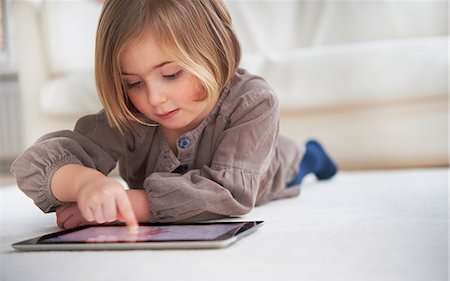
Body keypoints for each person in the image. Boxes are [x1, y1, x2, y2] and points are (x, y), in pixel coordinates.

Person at [10, 0, 337, 231]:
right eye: (134, 82)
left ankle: (313, 155)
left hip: (271, 169)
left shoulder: (253, 101)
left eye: (171, 74)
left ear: (214, 50)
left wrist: (124, 207)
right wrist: (86, 184)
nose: (154, 98)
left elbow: (229, 195)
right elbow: (34, 164)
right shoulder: (133, 112)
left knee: (297, 163)